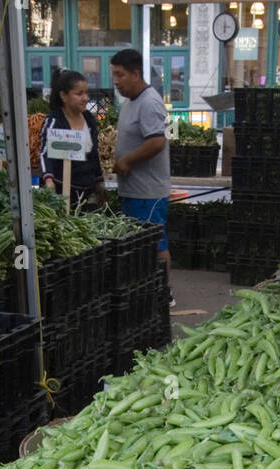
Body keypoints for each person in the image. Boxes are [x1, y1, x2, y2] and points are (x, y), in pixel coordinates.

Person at [109, 47, 173, 303]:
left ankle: (163, 292)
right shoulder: (129, 102)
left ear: (136, 73)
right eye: (113, 75)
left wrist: (127, 160)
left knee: (156, 244)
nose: (116, 81)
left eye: (120, 75)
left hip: (148, 192)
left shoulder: (150, 102)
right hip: (133, 190)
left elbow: (157, 142)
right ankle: (147, 291)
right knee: (140, 244)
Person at [40, 70, 106, 210]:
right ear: (64, 96)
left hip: (86, 194)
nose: (85, 98)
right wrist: (49, 179)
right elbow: (44, 153)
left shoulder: (89, 118)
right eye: (79, 94)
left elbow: (94, 155)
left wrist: (99, 181)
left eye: (86, 93)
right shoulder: (54, 121)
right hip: (61, 194)